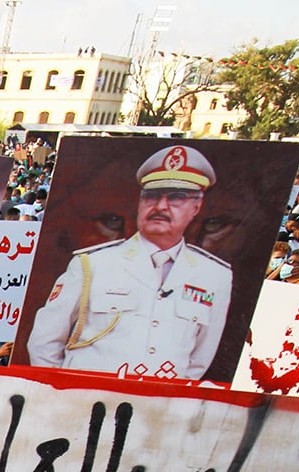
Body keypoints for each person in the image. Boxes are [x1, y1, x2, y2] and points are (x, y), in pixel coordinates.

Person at [27, 145, 232, 380]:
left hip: (158, 408)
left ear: (196, 206)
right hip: (85, 403)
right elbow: (44, 342)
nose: (161, 206)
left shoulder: (214, 275)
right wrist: (61, 394)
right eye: (152, 196)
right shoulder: (93, 264)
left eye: (176, 198)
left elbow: (199, 359)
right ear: (140, 202)